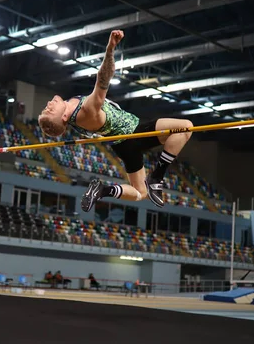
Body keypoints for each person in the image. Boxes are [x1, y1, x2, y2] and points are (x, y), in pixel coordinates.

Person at [38, 30, 193, 211]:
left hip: (122, 145)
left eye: (46, 108)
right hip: (134, 133)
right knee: (186, 128)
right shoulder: (87, 111)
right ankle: (157, 177)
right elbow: (103, 79)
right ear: (64, 117)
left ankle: (104, 190)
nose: (49, 104)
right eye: (50, 110)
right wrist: (110, 48)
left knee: (140, 193)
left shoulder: (71, 108)